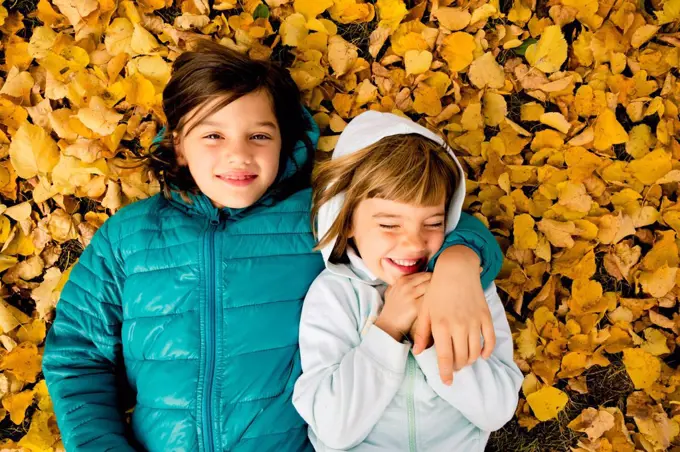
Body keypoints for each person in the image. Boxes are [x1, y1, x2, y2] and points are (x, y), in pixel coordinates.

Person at [42, 41, 503, 452]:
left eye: (259, 136)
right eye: (213, 135)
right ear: (180, 145)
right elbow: (77, 356)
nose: (238, 155)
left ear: (283, 140)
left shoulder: (316, 219)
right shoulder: (128, 236)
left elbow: (423, 222)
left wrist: (459, 263)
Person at [293, 111, 523, 451]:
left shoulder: (471, 290)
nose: (414, 243)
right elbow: (334, 428)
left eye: (432, 223)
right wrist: (387, 330)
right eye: (389, 225)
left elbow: (496, 410)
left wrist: (429, 339)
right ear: (348, 221)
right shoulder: (335, 295)